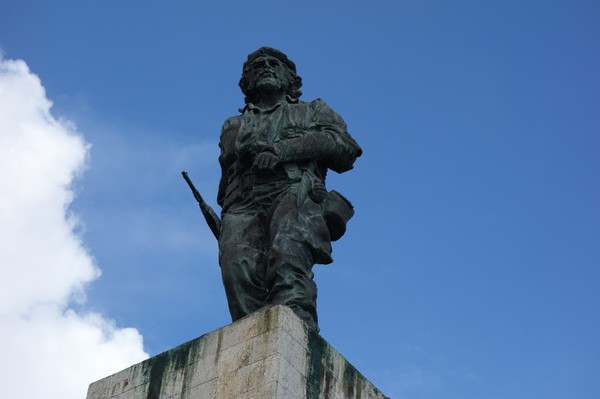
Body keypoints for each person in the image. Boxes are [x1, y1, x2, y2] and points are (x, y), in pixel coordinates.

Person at [217, 47, 362, 331]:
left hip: (293, 191)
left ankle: (295, 333)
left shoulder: (312, 111)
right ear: (246, 82)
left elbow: (346, 149)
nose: (267, 67)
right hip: (243, 201)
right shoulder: (234, 124)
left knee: (288, 258)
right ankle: (251, 340)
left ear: (291, 79)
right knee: (237, 270)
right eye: (258, 66)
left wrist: (283, 150)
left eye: (275, 64)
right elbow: (228, 168)